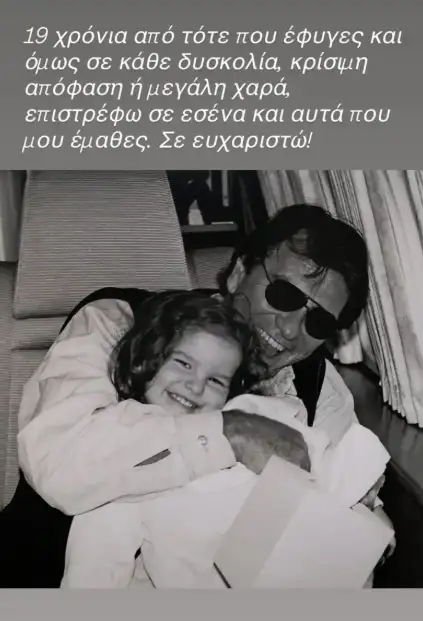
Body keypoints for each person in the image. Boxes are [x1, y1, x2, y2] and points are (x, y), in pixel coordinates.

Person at [2, 203, 393, 586]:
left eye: (319, 321)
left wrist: (367, 520)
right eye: (285, 296)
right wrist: (231, 433)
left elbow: (345, 493)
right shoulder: (120, 323)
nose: (291, 330)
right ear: (238, 272)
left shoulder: (316, 385)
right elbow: (58, 464)